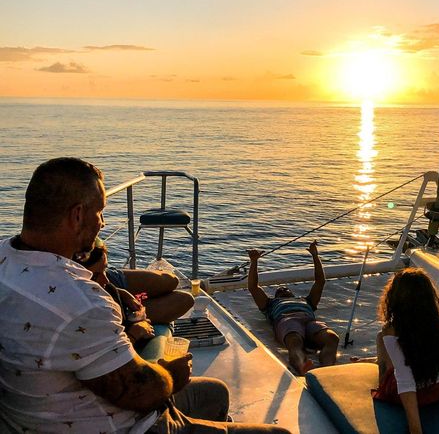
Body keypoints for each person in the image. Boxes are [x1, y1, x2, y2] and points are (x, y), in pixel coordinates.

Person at [0, 157, 289, 433]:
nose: (101, 223)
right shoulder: (78, 301)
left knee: (215, 393)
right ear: (77, 215)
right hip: (132, 426)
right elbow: (143, 392)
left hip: (33, 417)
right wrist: (171, 376)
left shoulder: (5, 258)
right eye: (99, 212)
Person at [372, 269, 439, 434]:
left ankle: (381, 370)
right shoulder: (436, 322)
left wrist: (415, 428)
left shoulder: (392, 330)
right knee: (397, 344)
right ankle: (377, 361)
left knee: (381, 337)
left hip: (420, 396)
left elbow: (404, 379)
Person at [247, 241, 339, 375]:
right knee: (295, 341)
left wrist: (315, 255)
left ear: (293, 294)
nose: (283, 288)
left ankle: (327, 370)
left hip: (309, 322)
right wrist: (254, 261)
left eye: (285, 288)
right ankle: (302, 366)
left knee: (332, 338)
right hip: (287, 321)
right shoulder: (270, 304)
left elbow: (320, 282)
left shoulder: (307, 301)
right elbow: (253, 287)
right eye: (279, 290)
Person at [75, 238, 157, 350]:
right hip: (125, 350)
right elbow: (106, 354)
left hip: (127, 326)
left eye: (105, 269)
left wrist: (121, 293)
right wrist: (135, 333)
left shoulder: (108, 289)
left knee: (182, 296)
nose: (106, 281)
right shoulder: (82, 311)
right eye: (94, 276)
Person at [105, 258, 195, 325]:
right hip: (108, 309)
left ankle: (135, 303)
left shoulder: (104, 278)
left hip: (110, 281)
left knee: (171, 280)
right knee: (185, 300)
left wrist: (119, 292)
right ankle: (130, 314)